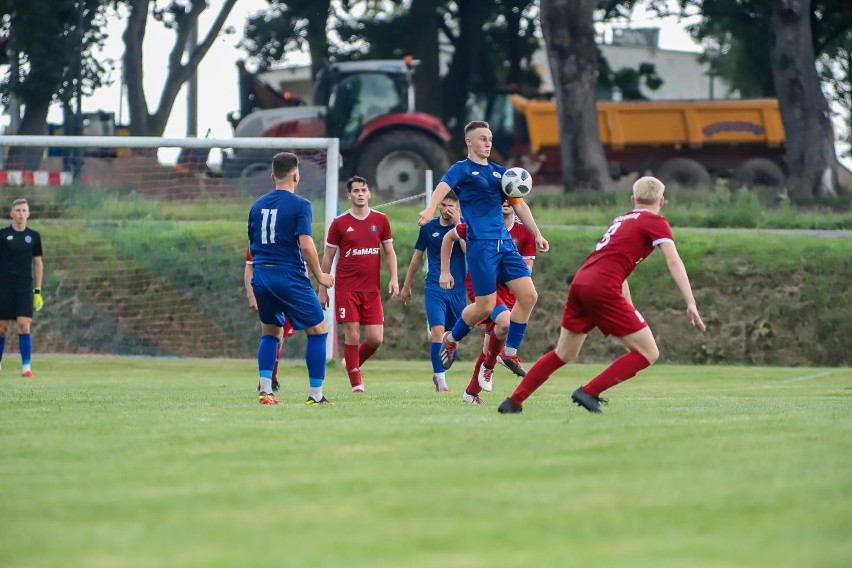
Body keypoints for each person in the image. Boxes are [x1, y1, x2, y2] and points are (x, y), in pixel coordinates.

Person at [497, 176, 707, 414]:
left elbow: (618, 267)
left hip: (582, 282)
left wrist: (626, 307)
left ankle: (513, 401)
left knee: (564, 353)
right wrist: (690, 302)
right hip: (602, 288)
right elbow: (673, 260)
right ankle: (589, 392)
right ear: (662, 201)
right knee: (648, 353)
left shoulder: (622, 219)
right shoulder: (655, 221)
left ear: (632, 199)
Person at [418, 120, 549, 377]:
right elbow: (443, 187)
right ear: (469, 142)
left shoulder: (501, 173)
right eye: (482, 139)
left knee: (530, 296)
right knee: (485, 307)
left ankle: (509, 353)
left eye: (490, 139)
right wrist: (431, 208)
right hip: (480, 246)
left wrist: (537, 233)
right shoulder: (462, 170)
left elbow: (519, 205)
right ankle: (452, 338)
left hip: (505, 245)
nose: (488, 143)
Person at [247, 152, 335, 406]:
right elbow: (306, 245)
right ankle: (315, 396)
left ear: (273, 175)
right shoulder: (301, 205)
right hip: (289, 276)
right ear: (297, 175)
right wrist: (320, 275)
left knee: (270, 333)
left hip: (262, 275)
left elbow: (253, 244)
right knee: (318, 332)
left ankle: (266, 391)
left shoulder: (256, 205)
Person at [440, 203, 537, 405]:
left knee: (490, 345)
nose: (505, 203)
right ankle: (457, 341)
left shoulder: (524, 230)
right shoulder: (481, 224)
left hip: (507, 290)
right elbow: (450, 237)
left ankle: (470, 393)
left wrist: (511, 271)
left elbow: (527, 267)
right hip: (482, 282)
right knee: (504, 322)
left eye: (510, 199)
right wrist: (445, 271)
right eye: (501, 198)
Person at [318, 176, 399, 393]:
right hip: (347, 288)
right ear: (349, 195)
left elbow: (389, 253)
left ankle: (351, 364)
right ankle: (356, 382)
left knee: (375, 338)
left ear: (370, 194)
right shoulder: (339, 223)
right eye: (356, 191)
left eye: (364, 190)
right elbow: (327, 258)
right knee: (352, 334)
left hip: (371, 289)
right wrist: (323, 289)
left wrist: (394, 278)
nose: (360, 194)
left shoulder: (381, 220)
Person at [400, 191, 466, 393]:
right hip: (434, 287)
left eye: (451, 206)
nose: (447, 209)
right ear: (438, 206)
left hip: (458, 289)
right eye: (444, 204)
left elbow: (467, 251)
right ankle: (441, 381)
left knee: (453, 338)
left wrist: (458, 226)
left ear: (458, 207)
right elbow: (417, 258)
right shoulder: (429, 228)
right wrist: (406, 285)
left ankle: (440, 371)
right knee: (437, 332)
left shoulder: (465, 226)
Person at [0, 198, 44, 378]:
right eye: (17, 210)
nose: (20, 214)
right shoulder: (2, 235)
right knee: (2, 328)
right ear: (11, 213)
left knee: (24, 326)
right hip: (3, 286)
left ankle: (26, 367)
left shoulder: (34, 236)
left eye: (23, 210)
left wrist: (38, 291)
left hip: (24, 287)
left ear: (28, 214)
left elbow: (38, 263)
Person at [245, 247, 294, 392]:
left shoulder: (292, 234)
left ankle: (271, 378)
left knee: (280, 336)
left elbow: (302, 265)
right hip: (266, 287)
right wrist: (251, 295)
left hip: (289, 289)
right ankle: (267, 381)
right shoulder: (258, 234)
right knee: (272, 332)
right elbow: (249, 266)